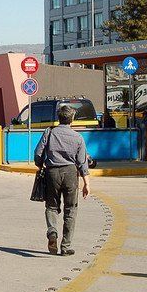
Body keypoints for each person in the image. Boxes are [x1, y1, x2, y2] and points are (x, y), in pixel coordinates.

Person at [34, 106, 91, 256]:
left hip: (52, 172)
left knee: (51, 206)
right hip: (71, 173)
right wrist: (86, 183)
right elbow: (82, 162)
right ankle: (66, 246)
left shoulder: (49, 132)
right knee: (71, 208)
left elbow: (38, 153)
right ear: (72, 119)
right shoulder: (78, 137)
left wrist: (40, 164)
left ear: (59, 118)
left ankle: (52, 231)